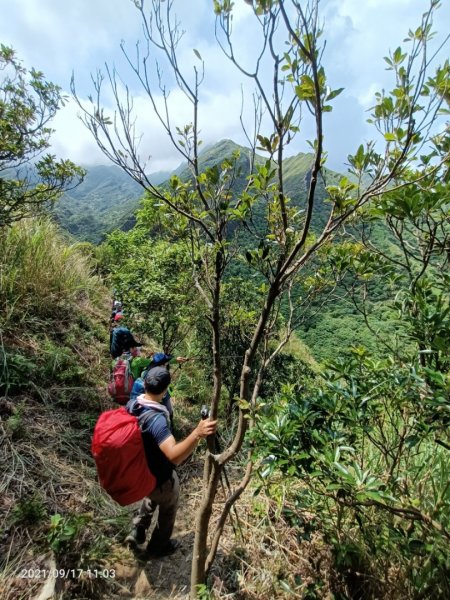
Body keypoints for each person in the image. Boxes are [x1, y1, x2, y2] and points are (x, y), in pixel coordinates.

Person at [125, 367, 216, 557]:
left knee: (151, 496)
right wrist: (197, 433)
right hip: (159, 477)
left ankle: (138, 529)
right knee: (169, 504)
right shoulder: (156, 420)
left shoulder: (133, 405)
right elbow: (173, 455)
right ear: (165, 389)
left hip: (139, 473)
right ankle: (158, 546)